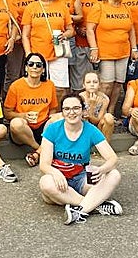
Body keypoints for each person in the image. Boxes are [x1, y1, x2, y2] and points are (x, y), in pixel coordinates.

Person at [37, 92, 123, 225]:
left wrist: (101, 170)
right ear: (62, 112)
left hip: (81, 178)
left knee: (114, 174)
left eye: (76, 108)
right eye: (67, 109)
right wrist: (56, 173)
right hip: (58, 180)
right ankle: (95, 205)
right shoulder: (53, 129)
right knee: (45, 183)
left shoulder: (91, 130)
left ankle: (80, 210)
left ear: (83, 110)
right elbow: (44, 165)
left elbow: (113, 158)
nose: (71, 112)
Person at [86, 0, 136, 122]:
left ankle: (111, 112)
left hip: (123, 52)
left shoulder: (126, 8)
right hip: (105, 52)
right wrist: (94, 48)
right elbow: (90, 29)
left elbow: (131, 30)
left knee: (118, 83)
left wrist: (134, 48)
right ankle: (98, 113)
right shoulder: (99, 7)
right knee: (106, 84)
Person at [4, 53, 61, 168]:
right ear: (26, 68)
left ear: (43, 69)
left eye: (38, 65)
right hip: (23, 130)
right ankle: (40, 149)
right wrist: (23, 116)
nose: (34, 67)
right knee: (16, 123)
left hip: (43, 128)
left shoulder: (49, 85)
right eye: (31, 64)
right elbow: (7, 113)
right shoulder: (16, 86)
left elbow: (53, 109)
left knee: (60, 117)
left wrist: (51, 119)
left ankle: (36, 154)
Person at [21, 0, 73, 101]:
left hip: (58, 52)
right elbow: (25, 35)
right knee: (37, 86)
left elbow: (71, 30)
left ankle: (57, 111)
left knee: (59, 89)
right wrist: (29, 54)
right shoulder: (31, 8)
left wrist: (64, 35)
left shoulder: (61, 6)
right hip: (37, 54)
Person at [79, 69, 114, 139]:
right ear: (84, 85)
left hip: (97, 126)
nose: (92, 84)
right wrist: (91, 106)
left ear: (99, 85)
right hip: (82, 127)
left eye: (95, 82)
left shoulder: (104, 99)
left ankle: (105, 144)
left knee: (109, 117)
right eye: (88, 82)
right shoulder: (79, 97)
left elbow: (96, 121)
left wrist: (92, 106)